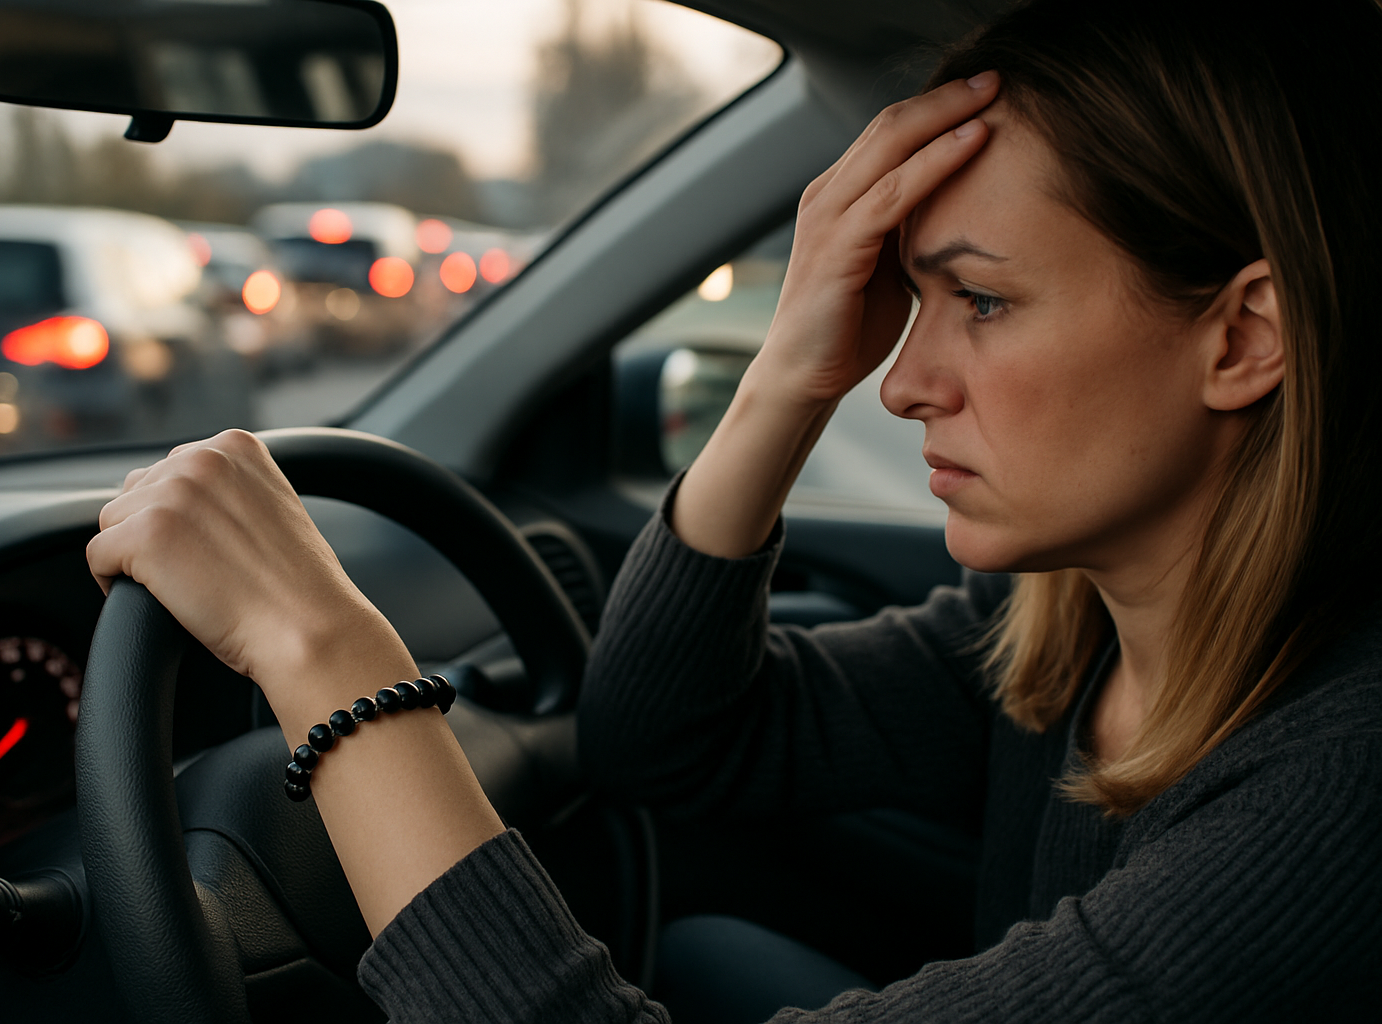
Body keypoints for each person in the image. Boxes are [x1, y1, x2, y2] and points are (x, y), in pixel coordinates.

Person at [85, 0, 1382, 1020]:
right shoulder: (1065, 626)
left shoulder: (1340, 804)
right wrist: (787, 371)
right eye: (907, 308)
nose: (907, 386)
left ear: (1243, 336)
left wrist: (322, 648)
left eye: (980, 301)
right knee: (706, 948)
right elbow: (668, 740)